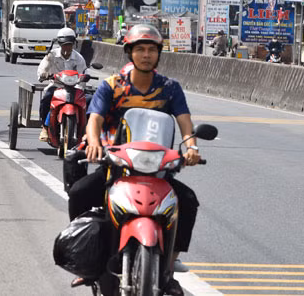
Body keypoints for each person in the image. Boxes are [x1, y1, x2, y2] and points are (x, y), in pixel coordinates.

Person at [69, 24, 201, 296]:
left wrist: (191, 148)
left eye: (151, 49)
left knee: (187, 201)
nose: (146, 55)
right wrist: (94, 143)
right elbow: (94, 119)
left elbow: (186, 124)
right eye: (140, 49)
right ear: (129, 53)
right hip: (117, 167)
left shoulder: (170, 88)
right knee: (80, 193)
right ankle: (86, 259)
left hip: (159, 170)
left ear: (158, 54)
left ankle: (171, 261)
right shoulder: (112, 86)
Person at [36, 27, 88, 142]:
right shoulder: (51, 55)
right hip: (56, 86)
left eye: (69, 44)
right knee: (46, 99)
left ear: (74, 44)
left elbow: (83, 73)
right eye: (64, 45)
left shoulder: (79, 58)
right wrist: (44, 74)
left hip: (75, 87)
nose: (67, 47)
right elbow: (42, 68)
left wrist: (84, 78)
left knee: (88, 100)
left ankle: (86, 130)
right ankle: (44, 127)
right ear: (59, 44)